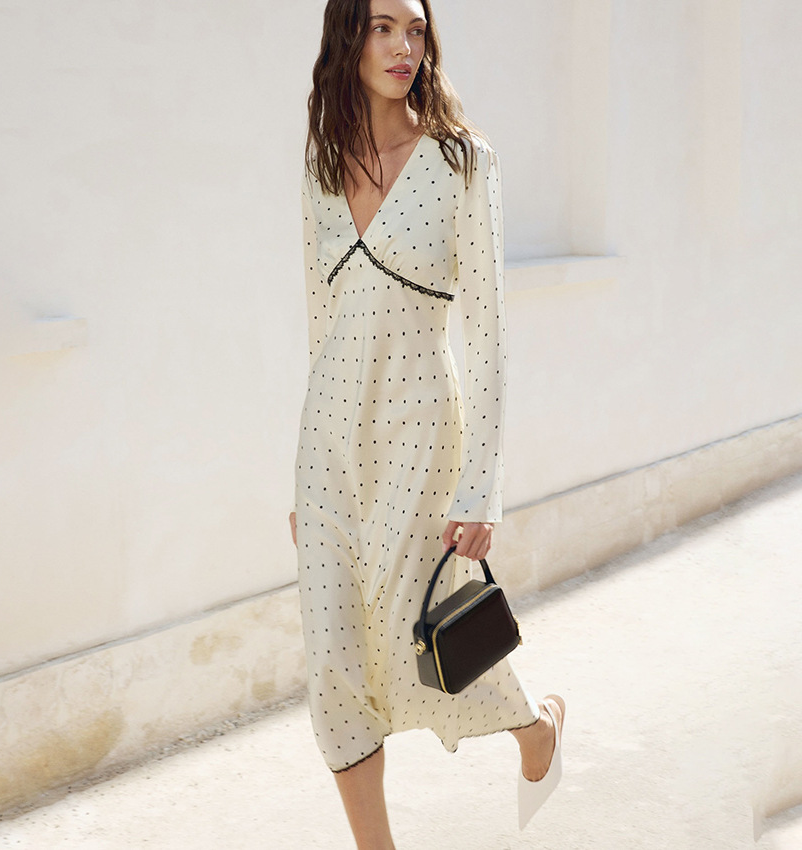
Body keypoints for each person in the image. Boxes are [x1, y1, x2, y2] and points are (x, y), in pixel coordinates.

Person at [289, 0, 565, 846]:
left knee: (417, 634)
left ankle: (535, 730)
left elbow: (488, 332)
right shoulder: (322, 165)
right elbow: (319, 321)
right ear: (348, 37)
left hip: (421, 428)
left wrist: (481, 486)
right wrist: (303, 483)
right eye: (382, 27)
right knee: (332, 663)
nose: (403, 46)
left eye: (415, 30)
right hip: (328, 441)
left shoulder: (462, 161)